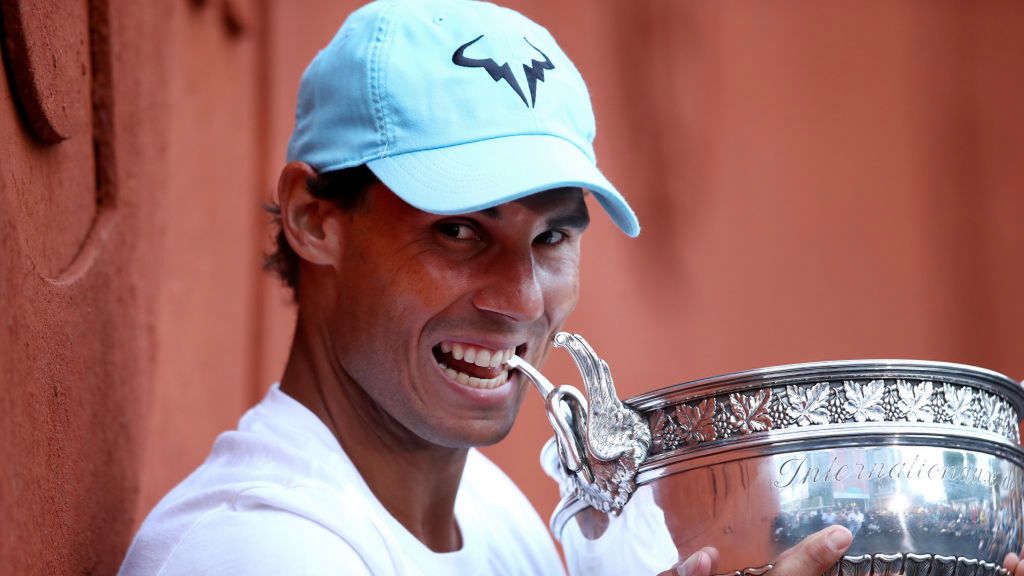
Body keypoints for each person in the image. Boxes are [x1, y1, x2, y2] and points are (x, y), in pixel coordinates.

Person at [119, 1, 1024, 574]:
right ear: (315, 218)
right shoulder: (254, 548)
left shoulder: (494, 515)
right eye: (460, 231)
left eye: (552, 236)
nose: (519, 298)